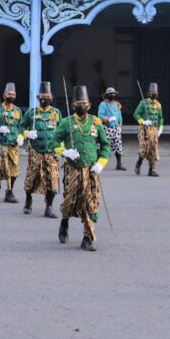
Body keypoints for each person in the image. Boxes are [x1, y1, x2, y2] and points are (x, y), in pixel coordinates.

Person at [53, 86, 110, 251]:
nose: (81, 106)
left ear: (89, 105)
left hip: (91, 170)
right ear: (72, 105)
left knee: (90, 202)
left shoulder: (96, 122)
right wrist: (65, 151)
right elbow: (53, 142)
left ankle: (87, 238)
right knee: (70, 200)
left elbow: (105, 146)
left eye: (84, 103)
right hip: (73, 169)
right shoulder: (66, 123)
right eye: (78, 103)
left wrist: (101, 163)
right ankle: (64, 221)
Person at [22, 81, 62, 217]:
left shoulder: (56, 113)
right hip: (36, 150)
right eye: (43, 96)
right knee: (31, 177)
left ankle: (49, 207)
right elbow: (20, 127)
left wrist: (62, 149)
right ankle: (28, 199)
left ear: (51, 97)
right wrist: (27, 134)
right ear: (38, 98)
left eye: (48, 95)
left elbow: (61, 132)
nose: (45, 98)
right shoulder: (31, 113)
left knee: (52, 179)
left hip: (51, 152)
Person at [0, 82, 25, 202]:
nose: (11, 96)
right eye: (9, 93)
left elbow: (21, 127)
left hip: (13, 144)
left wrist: (21, 137)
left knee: (14, 168)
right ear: (4, 94)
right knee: (0, 167)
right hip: (1, 143)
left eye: (13, 94)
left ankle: (9, 192)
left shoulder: (18, 111)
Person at [133, 83, 163, 177]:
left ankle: (151, 170)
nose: (153, 93)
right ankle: (138, 164)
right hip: (144, 130)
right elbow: (136, 114)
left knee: (153, 149)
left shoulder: (158, 105)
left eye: (155, 92)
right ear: (148, 93)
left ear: (157, 93)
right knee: (144, 149)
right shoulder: (143, 103)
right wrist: (143, 121)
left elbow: (160, 118)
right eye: (151, 92)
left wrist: (160, 129)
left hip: (154, 130)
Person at [98, 87, 126, 171]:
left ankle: (119, 163)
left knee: (118, 146)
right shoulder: (103, 104)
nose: (112, 95)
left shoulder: (117, 104)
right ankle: (99, 163)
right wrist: (108, 119)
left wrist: (120, 125)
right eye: (110, 94)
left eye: (113, 94)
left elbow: (119, 115)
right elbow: (100, 115)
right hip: (107, 128)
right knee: (103, 145)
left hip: (116, 128)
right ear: (107, 95)